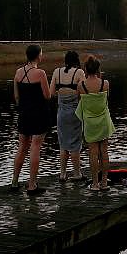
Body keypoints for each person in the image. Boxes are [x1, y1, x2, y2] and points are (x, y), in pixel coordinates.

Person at [12, 44, 51, 195]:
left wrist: (23, 108)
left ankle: (15, 182)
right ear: (38, 56)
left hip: (24, 114)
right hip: (38, 114)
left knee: (22, 146)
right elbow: (47, 96)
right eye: (41, 53)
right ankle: (32, 185)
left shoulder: (18, 72)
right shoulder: (40, 73)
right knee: (35, 146)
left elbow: (16, 96)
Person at [75, 55, 114, 191]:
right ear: (98, 69)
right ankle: (104, 183)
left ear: (85, 69)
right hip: (103, 121)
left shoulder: (81, 86)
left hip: (90, 123)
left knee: (93, 153)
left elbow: (79, 100)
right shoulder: (105, 84)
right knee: (104, 151)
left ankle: (95, 184)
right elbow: (106, 99)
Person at [50, 50, 86, 181]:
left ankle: (63, 174)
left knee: (63, 143)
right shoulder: (79, 73)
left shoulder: (56, 72)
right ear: (76, 60)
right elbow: (84, 92)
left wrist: (62, 93)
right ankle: (77, 174)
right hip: (75, 112)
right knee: (75, 144)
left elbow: (51, 93)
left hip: (61, 113)